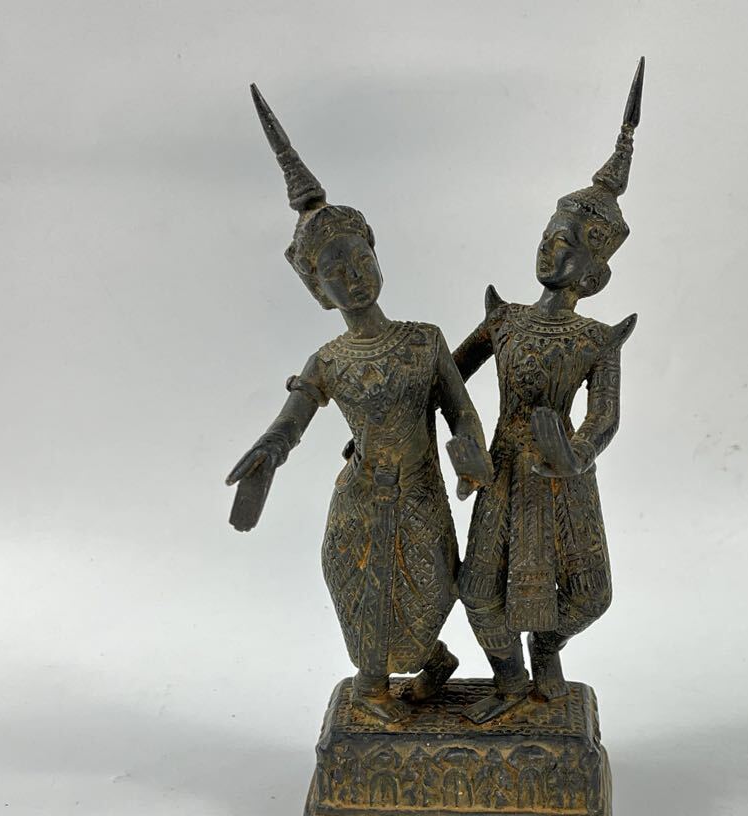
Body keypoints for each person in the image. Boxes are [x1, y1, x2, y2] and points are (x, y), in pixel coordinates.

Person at [226, 86, 493, 724]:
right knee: (365, 592)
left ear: (377, 254)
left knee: (435, 585)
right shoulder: (329, 360)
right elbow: (292, 420)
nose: (353, 276)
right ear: (319, 292)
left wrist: (470, 451)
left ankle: (431, 660)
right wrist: (268, 452)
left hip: (421, 494)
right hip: (362, 501)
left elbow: (459, 409)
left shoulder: (424, 341)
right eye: (335, 272)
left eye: (360, 258)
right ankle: (373, 691)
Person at [453, 60, 644, 723]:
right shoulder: (504, 320)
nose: (550, 250)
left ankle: (547, 649)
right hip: (504, 468)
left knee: (588, 592)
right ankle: (509, 679)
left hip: (563, 477)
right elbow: (449, 379)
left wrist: (574, 453)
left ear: (594, 275)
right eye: (548, 237)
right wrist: (458, 437)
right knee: (479, 587)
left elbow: (605, 416)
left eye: (567, 246)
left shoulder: (596, 339)